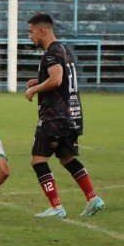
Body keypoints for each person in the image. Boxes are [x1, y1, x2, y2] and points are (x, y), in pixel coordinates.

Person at [24, 13, 105, 218]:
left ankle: (56, 206)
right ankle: (93, 198)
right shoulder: (64, 50)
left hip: (55, 116)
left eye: (31, 32)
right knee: (67, 158)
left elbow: (57, 79)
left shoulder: (50, 54)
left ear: (43, 31)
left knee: (38, 160)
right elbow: (60, 77)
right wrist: (39, 80)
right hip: (72, 115)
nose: (30, 36)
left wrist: (34, 90)